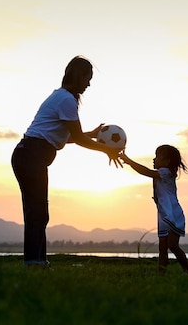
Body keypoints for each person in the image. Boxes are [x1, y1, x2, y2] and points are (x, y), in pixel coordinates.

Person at [11, 56, 123, 267]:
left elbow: (65, 136)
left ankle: (38, 261)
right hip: (30, 155)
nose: (89, 84)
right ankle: (34, 263)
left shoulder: (63, 98)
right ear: (78, 76)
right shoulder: (66, 100)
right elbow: (78, 139)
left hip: (30, 155)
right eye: (87, 78)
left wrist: (90, 134)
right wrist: (106, 149)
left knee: (38, 211)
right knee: (37, 211)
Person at [119, 145, 188, 274]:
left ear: (167, 161)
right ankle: (161, 273)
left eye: (157, 157)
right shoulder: (160, 174)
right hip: (163, 214)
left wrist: (129, 161)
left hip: (173, 214)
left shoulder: (166, 172)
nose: (154, 159)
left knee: (173, 245)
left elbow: (146, 172)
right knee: (162, 247)